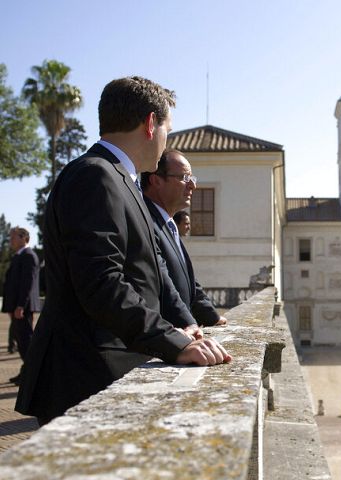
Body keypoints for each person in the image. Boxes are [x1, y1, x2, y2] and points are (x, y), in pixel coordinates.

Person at [15, 76, 231, 425]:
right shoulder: (95, 177)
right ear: (150, 124)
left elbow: (142, 274)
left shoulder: (116, 178)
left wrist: (174, 328)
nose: (166, 142)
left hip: (100, 367)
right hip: (82, 374)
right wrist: (169, 339)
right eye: (167, 130)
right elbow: (101, 283)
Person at [142, 150, 226, 327]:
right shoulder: (145, 221)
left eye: (192, 179)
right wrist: (190, 326)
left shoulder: (167, 222)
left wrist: (212, 317)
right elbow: (164, 284)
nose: (192, 186)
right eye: (184, 178)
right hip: (164, 339)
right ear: (156, 180)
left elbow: (187, 279)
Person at [2, 227, 41, 384]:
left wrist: (20, 306)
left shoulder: (28, 256)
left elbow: (27, 283)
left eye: (13, 237)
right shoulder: (19, 256)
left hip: (22, 309)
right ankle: (27, 372)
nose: (10, 240)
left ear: (24, 238)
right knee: (22, 341)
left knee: (26, 341)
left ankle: (32, 374)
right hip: (17, 308)